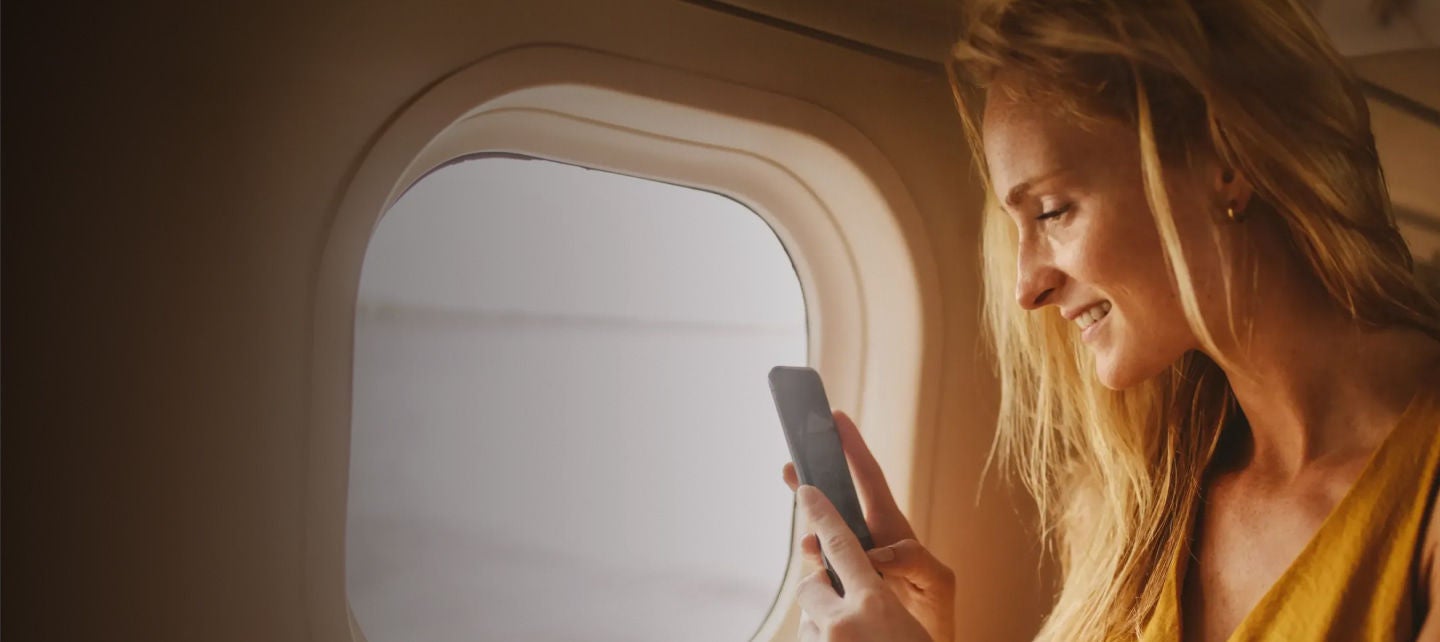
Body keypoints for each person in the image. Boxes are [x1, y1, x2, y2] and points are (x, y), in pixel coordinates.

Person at [780, 0, 1440, 640]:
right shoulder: (1130, 503)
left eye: (1051, 212)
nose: (1027, 289)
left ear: (1226, 160)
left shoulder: (1421, 499)